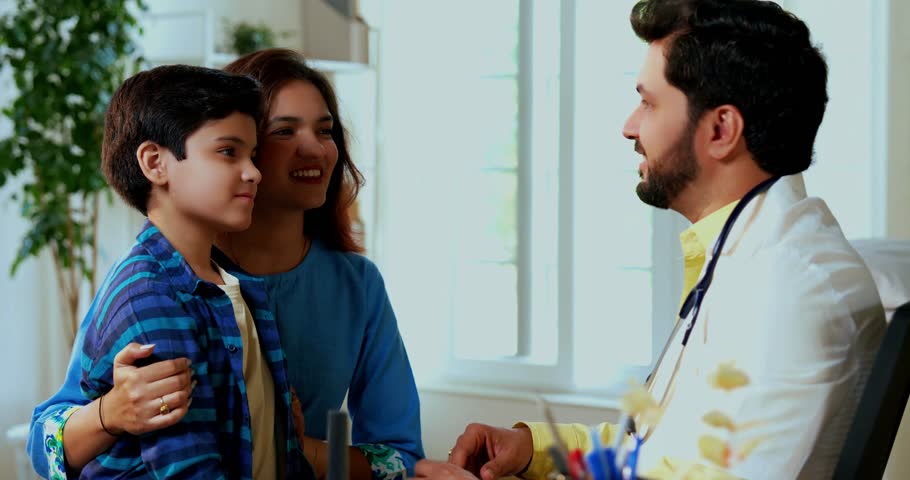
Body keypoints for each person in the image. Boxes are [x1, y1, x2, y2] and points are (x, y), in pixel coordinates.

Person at [432, 1, 886, 479]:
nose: (629, 126)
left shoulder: (787, 289)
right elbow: (662, 455)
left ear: (720, 129)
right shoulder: (754, 257)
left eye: (648, 102)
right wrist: (532, 449)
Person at [28, 49, 423, 480]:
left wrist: (297, 447)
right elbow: (45, 440)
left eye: (325, 130)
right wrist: (110, 413)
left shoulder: (355, 285)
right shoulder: (159, 287)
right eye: (285, 132)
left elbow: (401, 456)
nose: (314, 147)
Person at [74, 64, 312, 479]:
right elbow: (189, 469)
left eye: (252, 155)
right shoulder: (150, 296)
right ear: (155, 163)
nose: (254, 172)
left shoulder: (235, 284)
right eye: (228, 152)